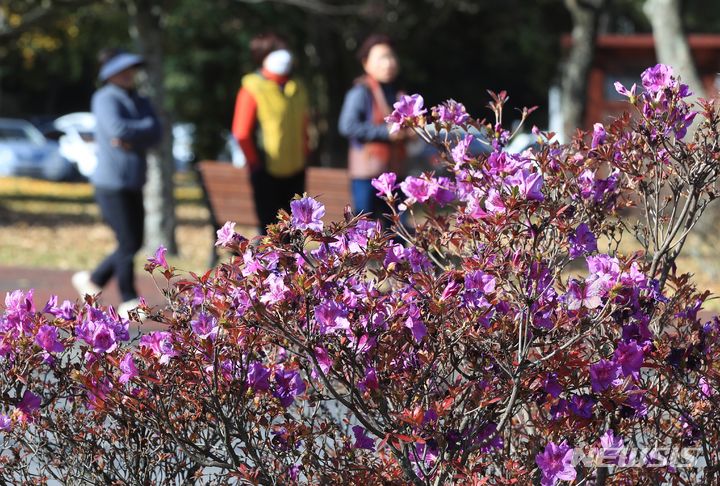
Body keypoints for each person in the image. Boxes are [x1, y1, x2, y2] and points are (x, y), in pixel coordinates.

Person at [72, 48, 162, 318]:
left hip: (135, 180)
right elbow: (117, 129)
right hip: (111, 183)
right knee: (127, 242)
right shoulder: (104, 97)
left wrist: (135, 134)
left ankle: (94, 280)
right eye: (122, 70)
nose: (128, 75)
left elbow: (157, 132)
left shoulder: (141, 99)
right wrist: (139, 130)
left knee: (134, 242)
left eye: (130, 70)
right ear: (110, 74)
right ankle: (128, 299)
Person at [232, 33, 309, 235]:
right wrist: (255, 164)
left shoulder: (297, 86)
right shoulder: (252, 87)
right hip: (266, 172)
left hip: (296, 171)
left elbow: (304, 125)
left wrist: (305, 152)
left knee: (296, 235)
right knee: (272, 234)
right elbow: (241, 133)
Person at [338, 34, 410, 220]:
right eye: (381, 58)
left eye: (391, 57)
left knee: (397, 230)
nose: (388, 63)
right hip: (367, 175)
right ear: (365, 63)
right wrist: (384, 132)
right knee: (365, 227)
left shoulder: (398, 91)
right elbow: (347, 126)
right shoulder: (360, 92)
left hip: (396, 172)